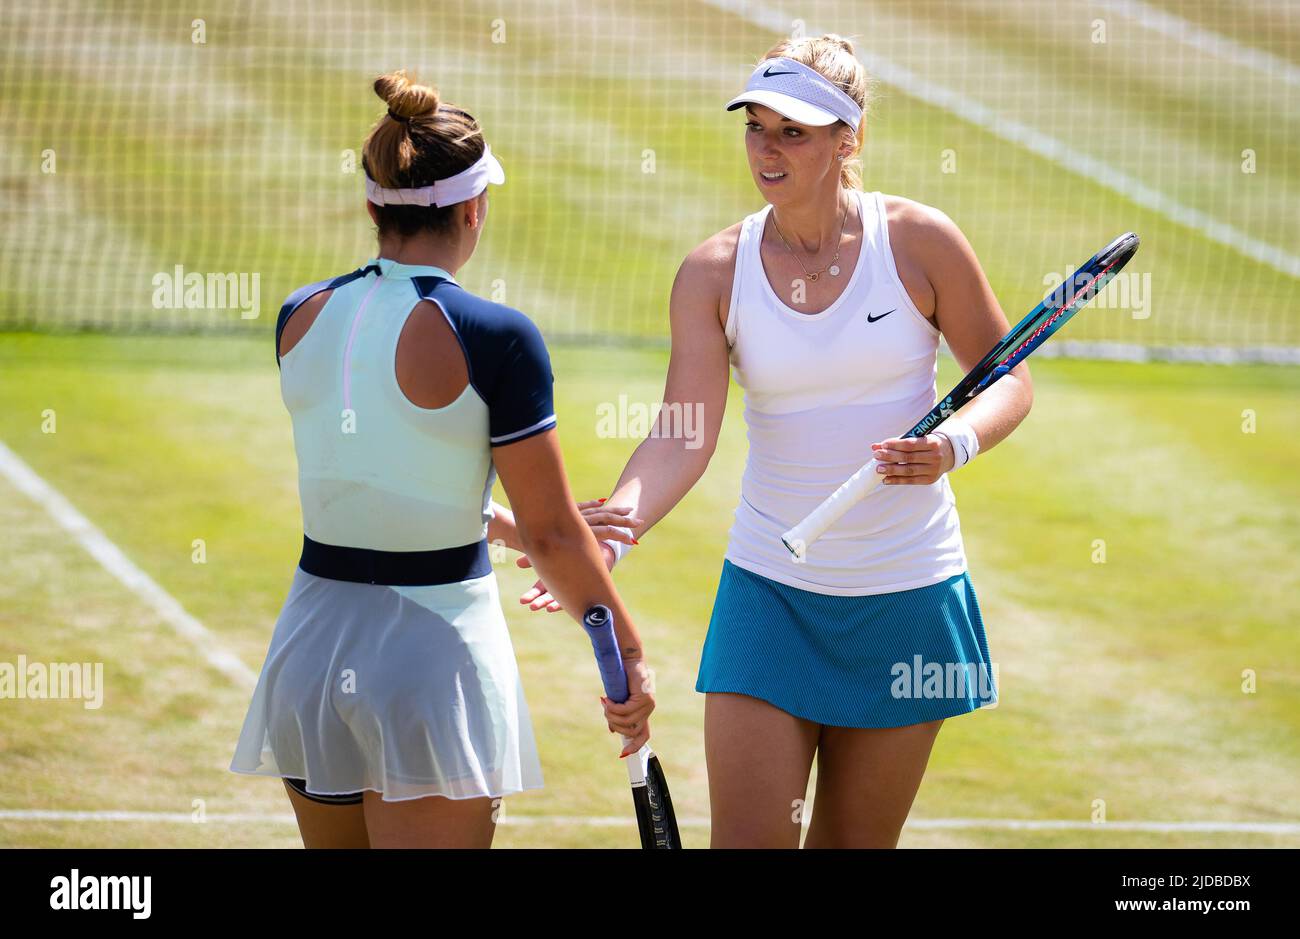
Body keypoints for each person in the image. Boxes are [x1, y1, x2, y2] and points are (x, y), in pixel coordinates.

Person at [521, 35, 1031, 848]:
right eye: (756, 127)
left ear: (847, 139)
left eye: (793, 131)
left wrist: (954, 444)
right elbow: (682, 431)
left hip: (908, 602)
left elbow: (1009, 378)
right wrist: (620, 522)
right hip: (769, 599)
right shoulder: (713, 271)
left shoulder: (922, 242)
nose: (767, 148)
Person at [230, 70, 652, 848]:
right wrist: (627, 649)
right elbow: (559, 534)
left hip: (309, 653)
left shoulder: (300, 315)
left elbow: (378, 477)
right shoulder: (498, 335)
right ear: (473, 209)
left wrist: (501, 527)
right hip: (432, 667)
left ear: (372, 206)